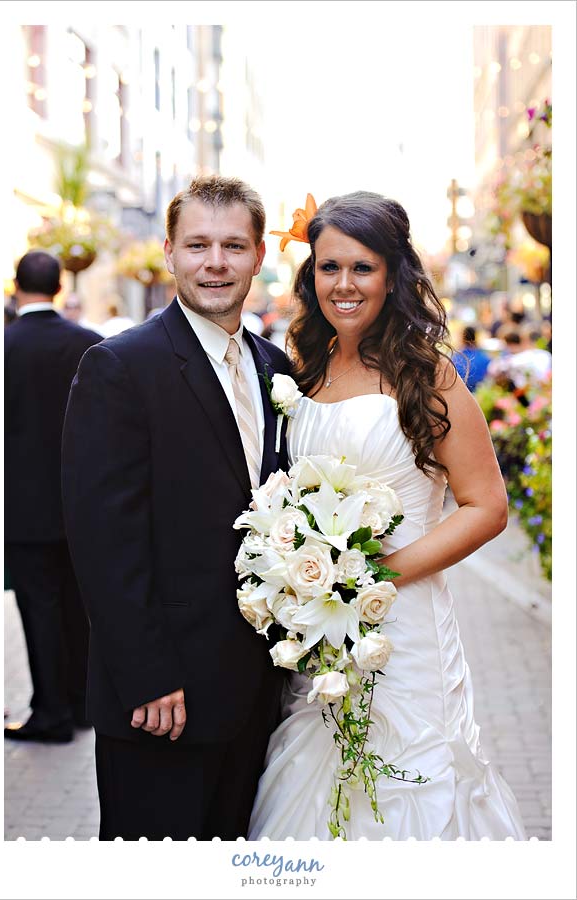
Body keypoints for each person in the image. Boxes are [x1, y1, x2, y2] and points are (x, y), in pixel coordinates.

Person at [248, 191, 526, 840]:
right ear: (309, 273)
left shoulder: (427, 375)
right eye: (328, 267)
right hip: (321, 626)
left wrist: (373, 576)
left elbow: (487, 506)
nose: (343, 284)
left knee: (410, 790)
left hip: (402, 631)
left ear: (393, 274)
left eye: (362, 267)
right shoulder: (304, 369)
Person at [61, 175, 290, 840]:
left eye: (232, 246)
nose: (215, 263)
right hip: (163, 700)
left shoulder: (278, 368)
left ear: (258, 254)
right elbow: (104, 541)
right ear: (168, 252)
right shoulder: (119, 367)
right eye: (197, 245)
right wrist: (148, 676)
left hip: (256, 696)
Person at [4, 251, 102, 743]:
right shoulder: (88, 344)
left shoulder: (2, 346)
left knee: (38, 607)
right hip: (79, 500)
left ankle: (51, 713)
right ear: (60, 286)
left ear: (17, 287)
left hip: (21, 507)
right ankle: (82, 703)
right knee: (74, 604)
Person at [451, 325, 491, 392]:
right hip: (479, 394)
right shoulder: (485, 358)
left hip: (461, 393)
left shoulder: (456, 358)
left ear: (462, 338)